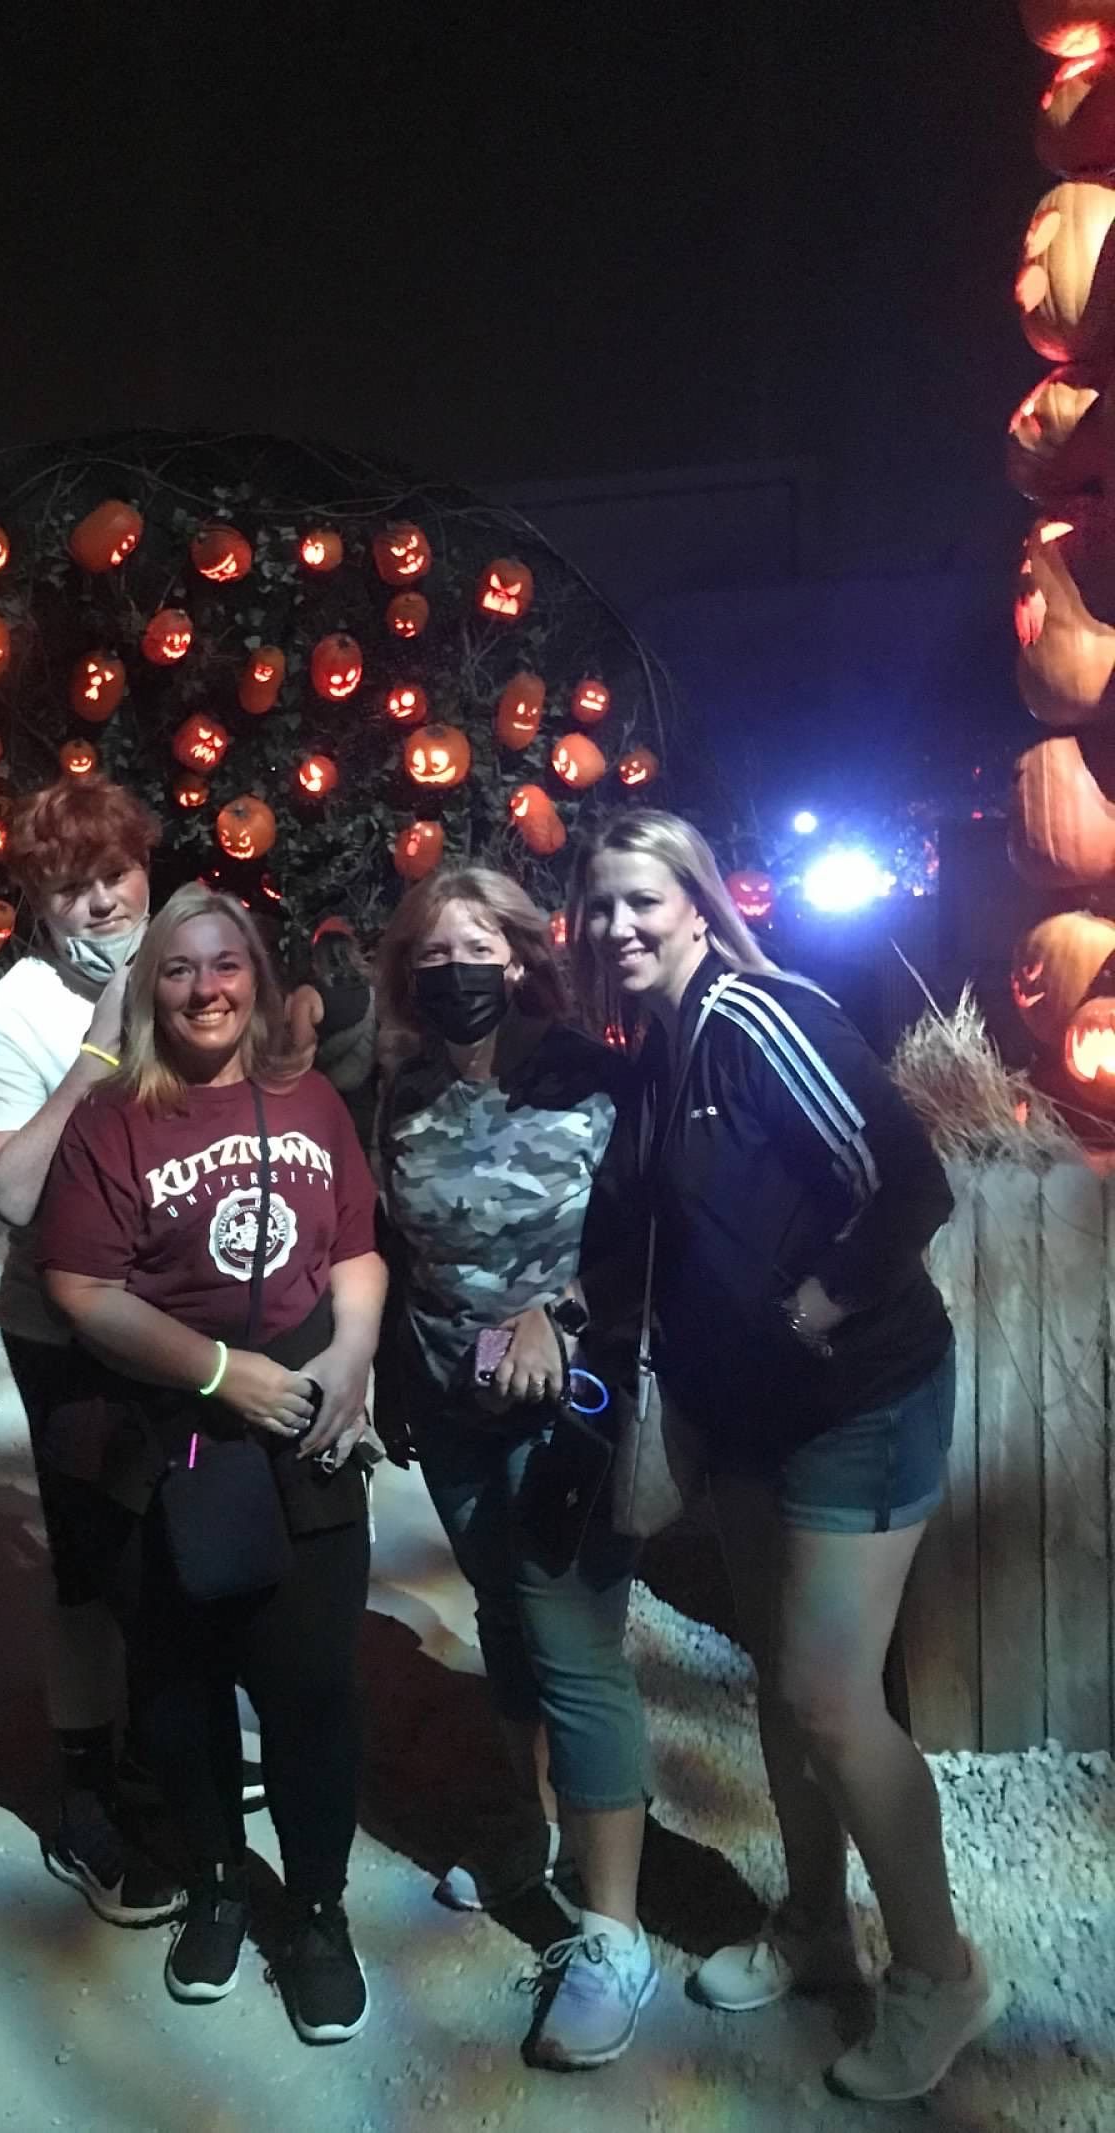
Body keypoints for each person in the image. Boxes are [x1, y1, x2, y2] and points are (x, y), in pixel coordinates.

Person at [572, 808, 1007, 2104]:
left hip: (853, 1402)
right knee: (782, 1679)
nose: (619, 926)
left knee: (828, 1695)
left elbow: (908, 1181)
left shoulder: (764, 1018)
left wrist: (819, 1303)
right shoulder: (655, 1046)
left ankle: (938, 1970)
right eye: (599, 907)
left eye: (643, 900)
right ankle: (815, 1921)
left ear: (700, 904)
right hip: (743, 1413)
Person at [39, 884, 387, 2044]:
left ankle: (321, 1912)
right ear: (149, 988)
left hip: (305, 1421)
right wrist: (213, 1372)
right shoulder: (112, 1121)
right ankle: (219, 1887)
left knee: (309, 1695)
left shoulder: (310, 1101)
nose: (204, 988)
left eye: (224, 963)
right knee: (179, 1691)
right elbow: (79, 1290)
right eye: (178, 969)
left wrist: (353, 1355)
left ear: (256, 975)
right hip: (169, 1433)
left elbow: (356, 1247)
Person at [372, 865, 654, 2071]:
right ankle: (518, 1830)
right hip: (450, 1404)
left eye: (479, 944)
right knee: (501, 1615)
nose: (456, 969)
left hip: (566, 1408)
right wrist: (390, 1382)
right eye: (433, 952)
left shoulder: (590, 1074)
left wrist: (567, 1313)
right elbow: (389, 1247)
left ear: (524, 954)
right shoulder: (398, 1091)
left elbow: (652, 1236)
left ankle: (612, 1933)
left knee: (574, 1643)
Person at [0, 773, 185, 1928]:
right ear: (35, 904)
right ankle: (89, 1790)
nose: (101, 903)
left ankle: (172, 1748)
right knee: (92, 1572)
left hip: (185, 1326)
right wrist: (97, 1051)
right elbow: (8, 1191)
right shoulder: (13, 1015)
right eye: (70, 886)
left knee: (184, 1547)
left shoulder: (194, 968)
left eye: (113, 875)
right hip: (68, 1333)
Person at [285, 920, 379, 1151]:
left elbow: (300, 1051)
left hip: (321, 1100)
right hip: (363, 1100)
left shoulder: (309, 996)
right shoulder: (372, 993)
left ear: (318, 957)